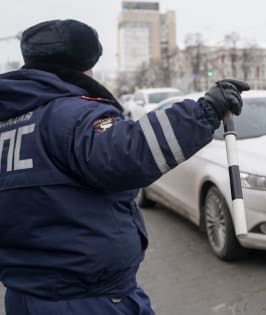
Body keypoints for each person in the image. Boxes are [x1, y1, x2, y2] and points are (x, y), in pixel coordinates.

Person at [0, 19, 249, 315]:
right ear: (85, 65)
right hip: (86, 298)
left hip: (25, 295)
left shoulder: (9, 123)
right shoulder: (70, 114)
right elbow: (127, 152)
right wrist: (206, 111)